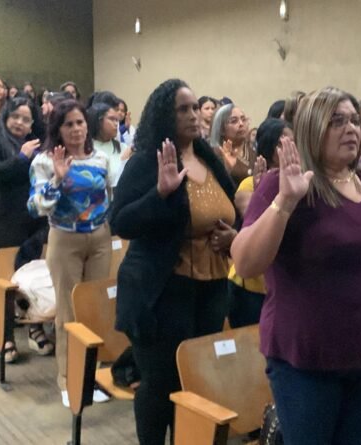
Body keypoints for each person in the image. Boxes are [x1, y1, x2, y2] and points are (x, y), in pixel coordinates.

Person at [232, 86, 361, 445]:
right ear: (312, 129)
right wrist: (285, 202)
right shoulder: (281, 183)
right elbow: (246, 262)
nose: (351, 128)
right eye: (337, 121)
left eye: (355, 121)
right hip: (306, 356)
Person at [109, 79, 237, 445]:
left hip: (211, 288)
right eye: (183, 109)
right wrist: (160, 194)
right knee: (161, 386)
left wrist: (234, 235)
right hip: (162, 291)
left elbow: (228, 210)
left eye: (195, 107)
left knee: (196, 383)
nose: (194, 115)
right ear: (165, 115)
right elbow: (120, 222)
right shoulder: (147, 161)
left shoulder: (209, 158)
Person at [28, 99, 112, 407]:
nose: (76, 129)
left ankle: (91, 377)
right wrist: (58, 179)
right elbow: (36, 206)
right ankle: (68, 379)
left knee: (93, 309)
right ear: (58, 129)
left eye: (80, 123)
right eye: (68, 124)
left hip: (100, 238)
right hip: (65, 240)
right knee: (69, 311)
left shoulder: (100, 158)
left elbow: (108, 196)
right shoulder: (44, 161)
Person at [0, 97, 52, 362]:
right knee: (9, 281)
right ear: (6, 116)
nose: (20, 122)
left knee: (32, 278)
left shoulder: (36, 144)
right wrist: (21, 158)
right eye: (15, 116)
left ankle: (35, 328)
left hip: (32, 221)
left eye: (26, 119)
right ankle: (5, 336)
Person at [227, 118, 292, 328]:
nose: (291, 147)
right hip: (248, 286)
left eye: (293, 141)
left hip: (279, 284)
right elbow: (254, 221)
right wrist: (261, 190)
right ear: (271, 149)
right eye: (283, 142)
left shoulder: (299, 184)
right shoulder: (248, 185)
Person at [209, 103, 255, 184]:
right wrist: (228, 169)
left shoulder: (253, 152)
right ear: (221, 129)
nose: (241, 124)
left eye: (243, 119)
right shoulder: (214, 154)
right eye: (234, 121)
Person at [88, 102, 126, 187]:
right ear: (98, 121)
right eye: (112, 119)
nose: (116, 124)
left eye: (117, 120)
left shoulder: (124, 148)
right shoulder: (87, 150)